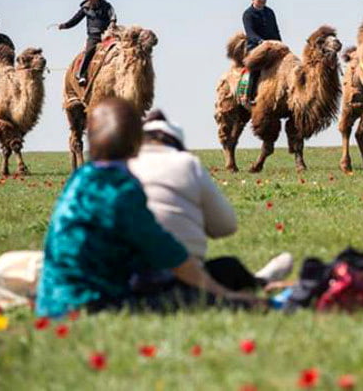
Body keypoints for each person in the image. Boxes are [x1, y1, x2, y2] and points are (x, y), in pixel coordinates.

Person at [35, 98, 260, 317]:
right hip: (94, 302)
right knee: (198, 295)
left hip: (50, 301)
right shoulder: (122, 191)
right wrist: (225, 296)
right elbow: (168, 253)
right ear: (136, 143)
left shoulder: (79, 179)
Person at [128, 109, 293, 292]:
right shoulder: (188, 164)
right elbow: (226, 226)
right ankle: (259, 282)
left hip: (131, 277)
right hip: (185, 277)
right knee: (228, 267)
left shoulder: (124, 168)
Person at [56, 0, 117, 86]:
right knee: (89, 51)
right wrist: (65, 25)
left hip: (108, 34)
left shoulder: (107, 6)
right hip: (94, 36)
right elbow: (75, 19)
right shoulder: (85, 8)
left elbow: (113, 15)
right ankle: (81, 74)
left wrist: (113, 22)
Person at [241, 0, 281, 105]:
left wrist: (279, 43)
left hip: (272, 45)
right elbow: (250, 32)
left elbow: (275, 29)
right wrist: (260, 42)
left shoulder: (270, 12)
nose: (262, 0)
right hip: (255, 46)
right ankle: (250, 95)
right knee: (256, 68)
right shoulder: (248, 14)